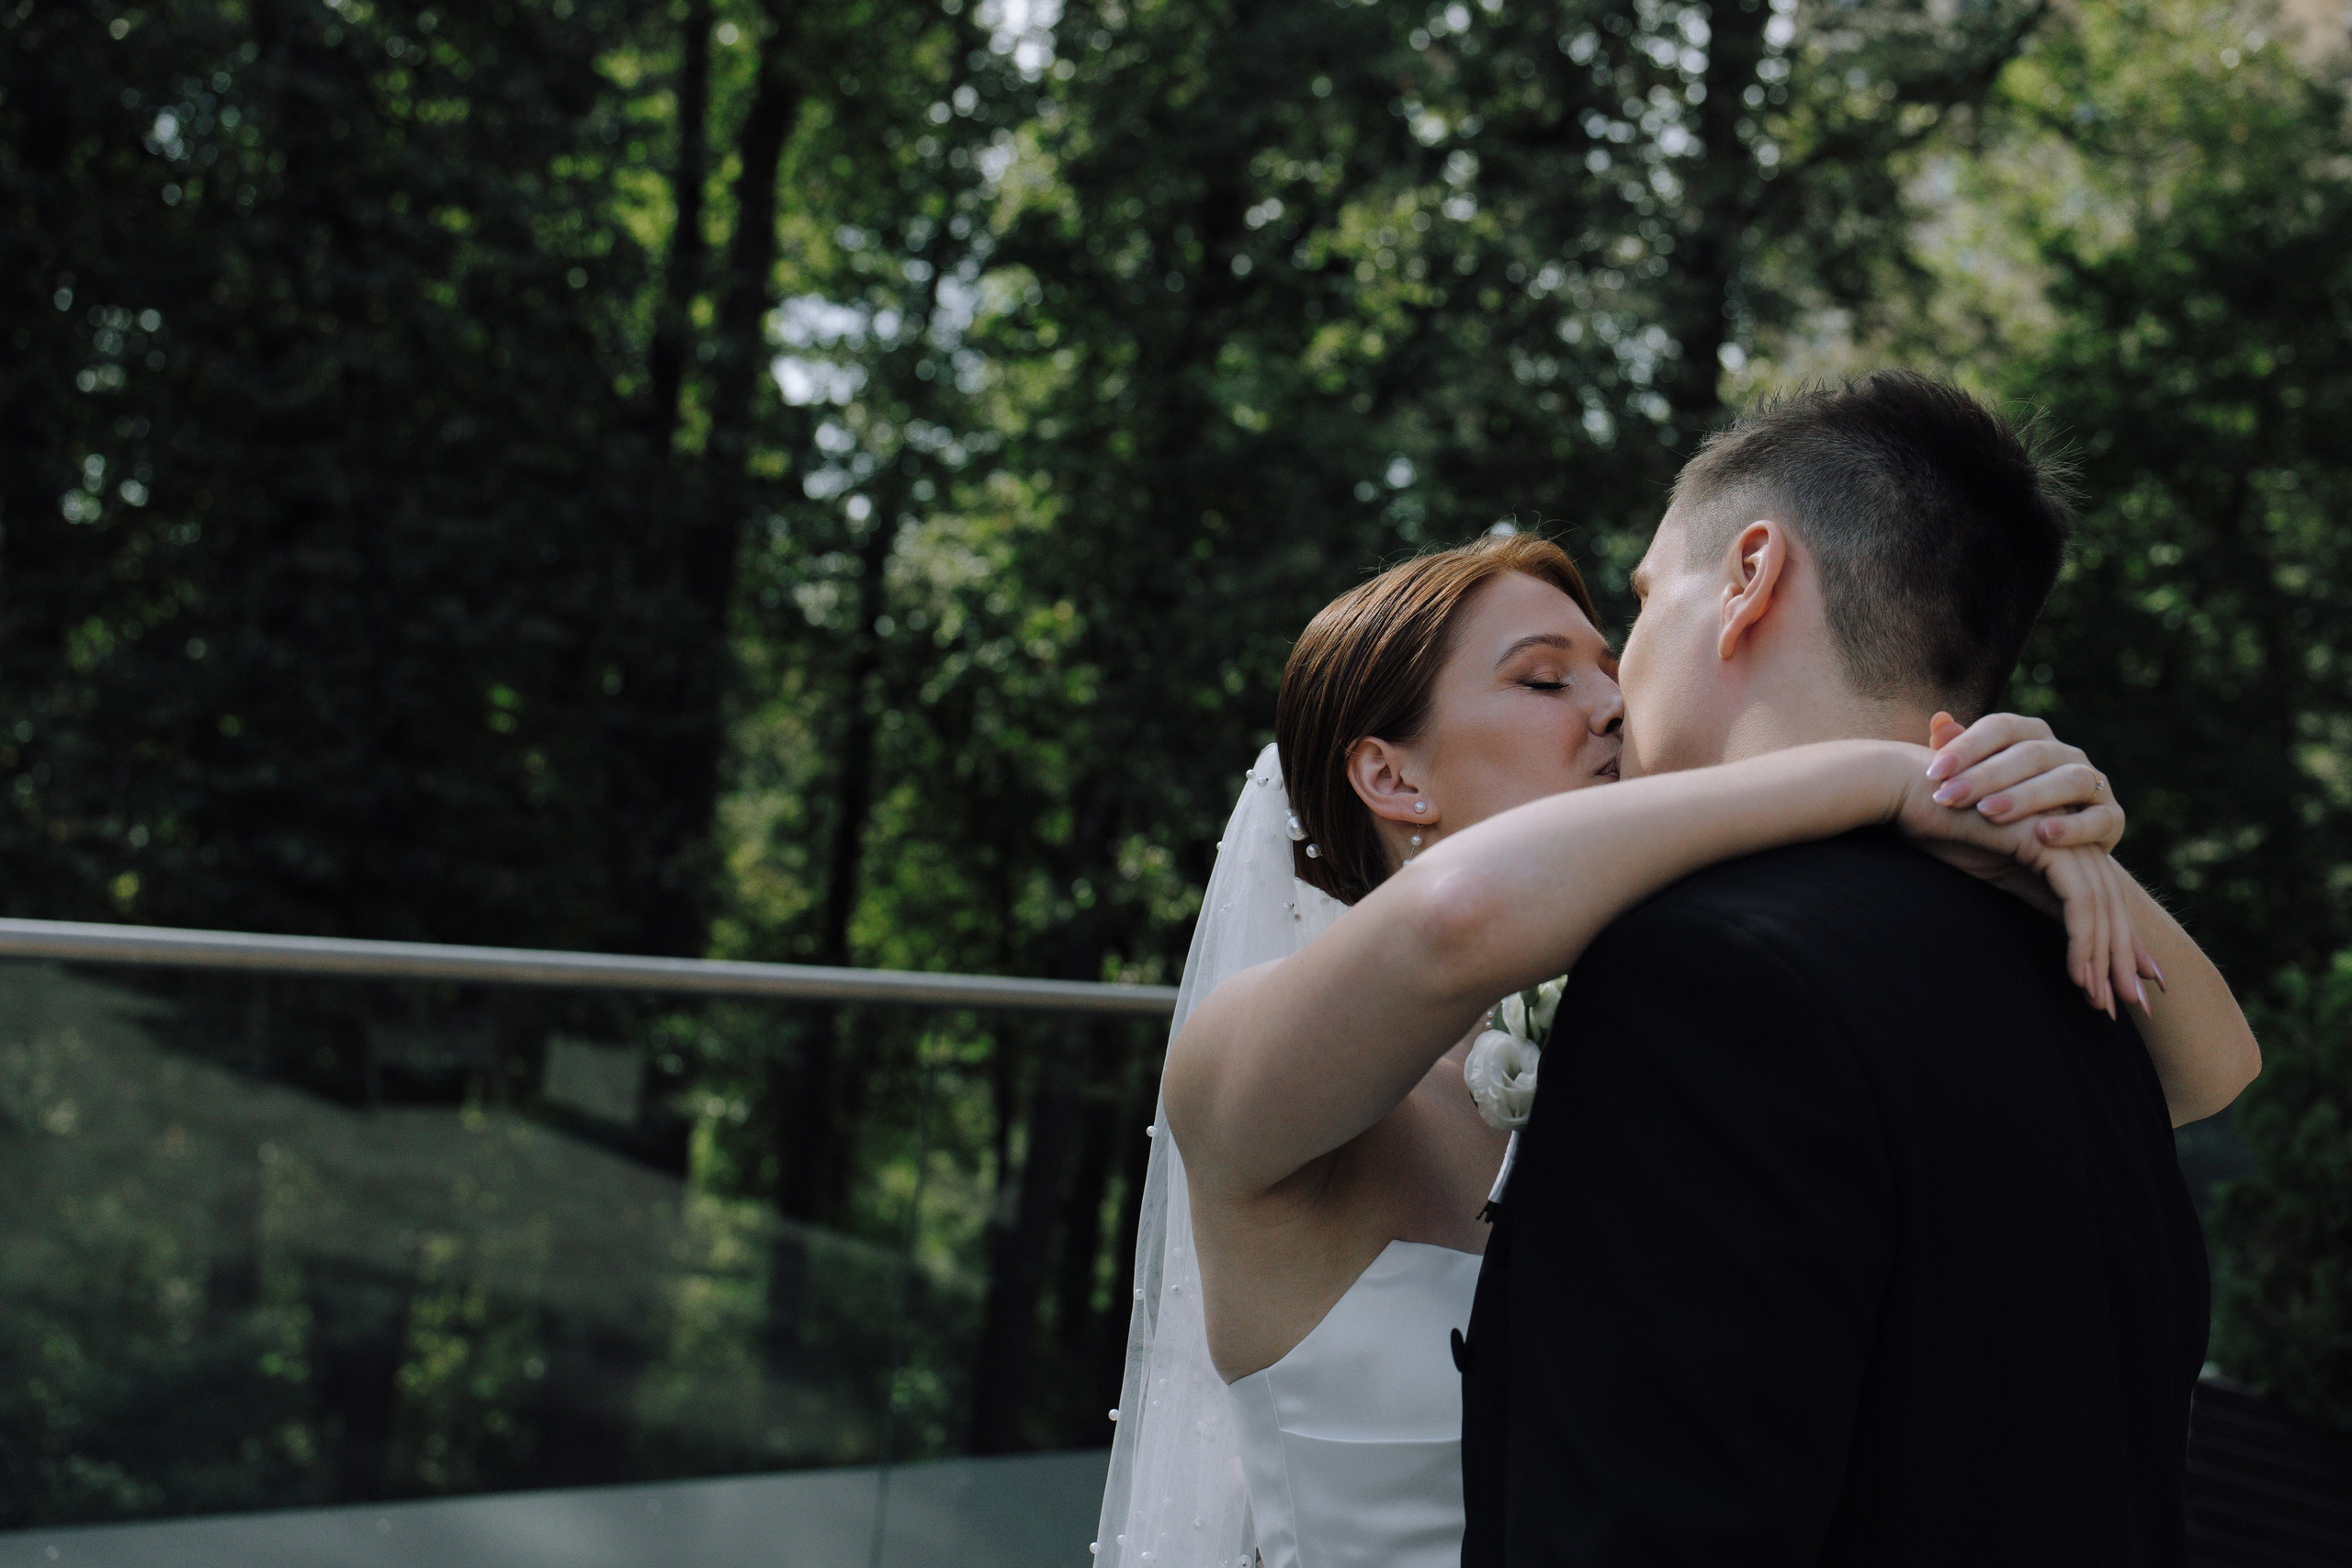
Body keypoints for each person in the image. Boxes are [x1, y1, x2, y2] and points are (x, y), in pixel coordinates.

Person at [1090, 393, 2258, 1565]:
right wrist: (1896, 769)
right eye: (1544, 682)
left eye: (1613, 654)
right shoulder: (1245, 1056)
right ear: (1391, 778)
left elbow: (2217, 1066)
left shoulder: (1657, 1011)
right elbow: (1451, 917)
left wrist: (2048, 843)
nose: (1610, 704)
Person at [1456, 371, 2242, 1565]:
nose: (1618, 684)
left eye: (1646, 595)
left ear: (1751, 577)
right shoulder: (2094, 992)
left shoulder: (1701, 975)